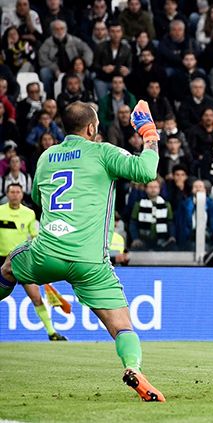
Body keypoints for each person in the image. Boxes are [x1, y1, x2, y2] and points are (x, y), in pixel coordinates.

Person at [0, 101, 165, 400]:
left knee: (9, 268)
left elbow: (38, 196)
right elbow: (146, 170)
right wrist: (149, 134)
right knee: (122, 327)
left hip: (46, 254)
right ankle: (133, 368)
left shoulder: (47, 156)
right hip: (90, 262)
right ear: (92, 128)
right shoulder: (103, 152)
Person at [0, 183, 68, 341]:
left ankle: (51, 332)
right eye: (12, 192)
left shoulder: (29, 214)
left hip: (20, 260)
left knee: (36, 297)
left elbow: (34, 236)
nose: (15, 195)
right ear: (7, 194)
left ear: (22, 195)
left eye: (18, 192)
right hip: (1, 259)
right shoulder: (0, 211)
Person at [129, 179, 175, 251]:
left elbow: (170, 222)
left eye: (156, 187)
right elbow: (133, 223)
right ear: (146, 189)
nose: (153, 189)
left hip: (162, 240)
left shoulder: (166, 204)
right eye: (150, 187)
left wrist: (172, 236)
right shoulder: (138, 204)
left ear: (159, 189)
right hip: (143, 239)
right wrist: (135, 238)